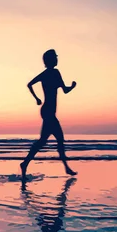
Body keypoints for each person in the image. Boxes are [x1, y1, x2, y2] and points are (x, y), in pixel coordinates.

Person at [20, 49, 77, 179]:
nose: (57, 60)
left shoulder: (47, 74)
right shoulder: (54, 73)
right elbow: (65, 90)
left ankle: (25, 163)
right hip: (48, 112)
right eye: (55, 58)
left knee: (43, 141)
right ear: (50, 60)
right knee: (58, 139)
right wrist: (37, 98)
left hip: (47, 110)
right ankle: (66, 168)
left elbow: (30, 85)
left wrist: (37, 99)